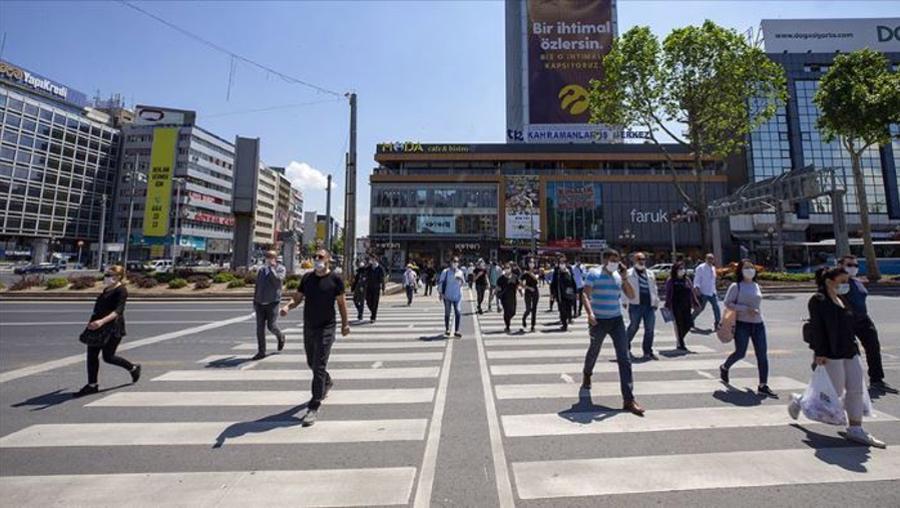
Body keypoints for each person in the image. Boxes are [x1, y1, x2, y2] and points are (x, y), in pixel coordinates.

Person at [788, 267, 886, 448]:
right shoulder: (818, 300)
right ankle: (801, 400)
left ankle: (856, 429)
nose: (845, 285)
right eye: (842, 281)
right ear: (829, 281)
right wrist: (819, 352)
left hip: (850, 350)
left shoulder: (843, 300)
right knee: (834, 391)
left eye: (847, 281)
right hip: (831, 353)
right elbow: (818, 328)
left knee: (856, 389)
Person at [280, 249, 350, 427]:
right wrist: (288, 307)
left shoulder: (335, 280)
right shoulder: (307, 279)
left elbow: (341, 303)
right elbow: (297, 298)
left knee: (319, 364)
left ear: (328, 260)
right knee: (312, 363)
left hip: (327, 327)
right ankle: (326, 381)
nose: (317, 260)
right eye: (315, 257)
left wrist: (345, 324)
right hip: (309, 326)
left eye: (320, 257)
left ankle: (313, 406)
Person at [580, 250, 645, 416]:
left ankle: (628, 399)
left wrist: (624, 278)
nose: (615, 262)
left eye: (617, 260)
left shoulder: (618, 276)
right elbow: (585, 295)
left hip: (616, 320)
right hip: (599, 320)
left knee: (624, 358)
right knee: (594, 350)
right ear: (605, 260)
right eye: (612, 260)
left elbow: (631, 295)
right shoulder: (593, 274)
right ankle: (587, 374)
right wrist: (590, 313)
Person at [73, 265, 141, 397]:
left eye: (110, 275)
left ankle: (133, 368)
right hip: (97, 326)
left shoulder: (121, 291)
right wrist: (92, 323)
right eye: (106, 275)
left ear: (118, 277)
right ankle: (92, 385)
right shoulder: (107, 289)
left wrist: (101, 321)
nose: (107, 277)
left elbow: (118, 311)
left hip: (113, 328)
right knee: (91, 355)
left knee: (108, 357)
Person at [719, 260, 776, 397]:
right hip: (742, 324)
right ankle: (725, 367)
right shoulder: (736, 286)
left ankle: (763, 385)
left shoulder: (756, 285)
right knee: (740, 353)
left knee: (762, 354)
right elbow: (727, 303)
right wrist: (744, 309)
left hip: (758, 323)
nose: (749, 270)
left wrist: (754, 311)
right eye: (746, 268)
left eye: (751, 267)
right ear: (740, 270)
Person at [840, 255, 892, 391]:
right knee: (849, 352)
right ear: (841, 266)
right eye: (849, 265)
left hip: (863, 319)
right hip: (846, 321)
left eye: (855, 266)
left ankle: (877, 379)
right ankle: (846, 382)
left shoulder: (857, 282)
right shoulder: (839, 282)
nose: (853, 268)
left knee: (873, 346)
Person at [252, 250, 287, 360]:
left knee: (271, 326)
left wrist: (272, 269)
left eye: (270, 257)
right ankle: (261, 351)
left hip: (273, 302)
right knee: (259, 328)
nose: (268, 258)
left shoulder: (280, 269)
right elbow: (258, 285)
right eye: (267, 256)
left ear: (275, 258)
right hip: (260, 303)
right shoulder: (262, 270)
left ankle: (280, 336)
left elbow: (277, 282)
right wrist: (255, 300)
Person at [625, 252, 660, 361]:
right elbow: (624, 287)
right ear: (634, 261)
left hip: (649, 306)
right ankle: (624, 347)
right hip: (635, 305)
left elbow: (654, 288)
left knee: (650, 329)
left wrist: (656, 301)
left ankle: (648, 351)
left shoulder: (650, 273)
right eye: (639, 259)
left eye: (643, 259)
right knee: (633, 327)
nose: (642, 261)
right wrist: (624, 301)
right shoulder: (628, 273)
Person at [664, 261, 699, 351]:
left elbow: (691, 291)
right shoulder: (671, 280)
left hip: (686, 305)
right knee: (679, 325)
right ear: (675, 270)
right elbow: (668, 294)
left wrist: (695, 302)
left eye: (683, 268)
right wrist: (667, 304)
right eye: (680, 268)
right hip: (676, 305)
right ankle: (681, 344)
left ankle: (680, 339)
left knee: (689, 324)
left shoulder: (687, 279)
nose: (682, 270)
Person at [691, 253, 721, 330]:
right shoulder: (700, 268)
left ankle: (717, 323)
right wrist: (697, 289)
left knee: (716, 307)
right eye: (709, 258)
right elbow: (697, 279)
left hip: (712, 292)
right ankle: (690, 320)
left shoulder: (713, 268)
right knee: (700, 308)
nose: (711, 260)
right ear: (705, 259)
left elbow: (713, 280)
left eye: (712, 259)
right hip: (703, 292)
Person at [438, 256, 465, 338]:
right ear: (450, 262)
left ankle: (457, 330)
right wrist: (440, 293)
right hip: (447, 296)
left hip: (457, 296)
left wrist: (461, 279)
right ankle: (447, 329)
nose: (455, 263)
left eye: (456, 261)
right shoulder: (445, 272)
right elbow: (441, 282)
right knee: (447, 312)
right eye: (453, 261)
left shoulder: (460, 272)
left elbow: (463, 283)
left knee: (458, 312)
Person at [550, 255, 576, 331]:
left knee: (568, 308)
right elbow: (553, 282)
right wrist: (552, 293)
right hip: (560, 294)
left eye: (563, 261)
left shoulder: (569, 269)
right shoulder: (557, 270)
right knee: (562, 310)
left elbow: (572, 280)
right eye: (560, 262)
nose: (562, 263)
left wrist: (575, 292)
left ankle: (569, 318)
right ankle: (564, 325)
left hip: (569, 293)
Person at [497, 262, 522, 333]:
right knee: (506, 312)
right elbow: (497, 289)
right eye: (506, 268)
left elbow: (518, 285)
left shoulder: (515, 277)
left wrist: (520, 292)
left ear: (511, 269)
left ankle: (508, 320)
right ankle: (507, 326)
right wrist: (497, 303)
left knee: (513, 312)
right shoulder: (501, 279)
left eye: (508, 268)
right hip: (504, 298)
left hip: (513, 298)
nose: (507, 269)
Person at [364, 254, 386, 322]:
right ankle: (372, 311)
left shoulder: (380, 268)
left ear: (376, 260)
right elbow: (364, 271)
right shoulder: (369, 267)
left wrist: (383, 288)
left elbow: (382, 279)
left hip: (376, 288)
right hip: (369, 287)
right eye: (371, 259)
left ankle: (373, 317)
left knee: (375, 303)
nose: (371, 260)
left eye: (373, 259)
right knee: (368, 301)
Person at [521, 259, 541, 332]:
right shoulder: (525, 273)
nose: (531, 264)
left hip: (535, 291)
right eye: (530, 262)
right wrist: (527, 287)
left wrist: (530, 273)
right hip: (528, 292)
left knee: (534, 309)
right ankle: (524, 318)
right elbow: (520, 282)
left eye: (533, 262)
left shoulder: (536, 271)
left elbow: (537, 279)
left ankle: (533, 325)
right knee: (528, 309)